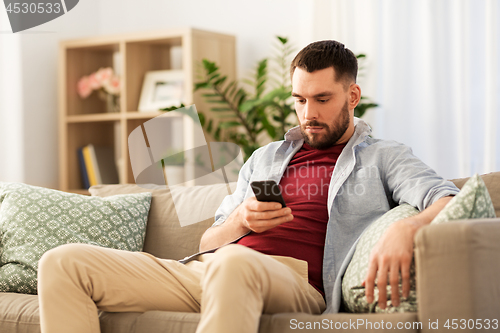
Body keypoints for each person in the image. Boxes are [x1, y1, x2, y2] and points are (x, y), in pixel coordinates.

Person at [38, 40, 459, 333]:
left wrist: (407, 227)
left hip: (295, 283)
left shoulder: (383, 155)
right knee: (62, 262)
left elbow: (447, 198)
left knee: (233, 264)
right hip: (210, 270)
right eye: (298, 99)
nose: (307, 113)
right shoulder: (265, 157)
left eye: (322, 99)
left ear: (353, 95)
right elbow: (211, 239)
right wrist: (241, 219)